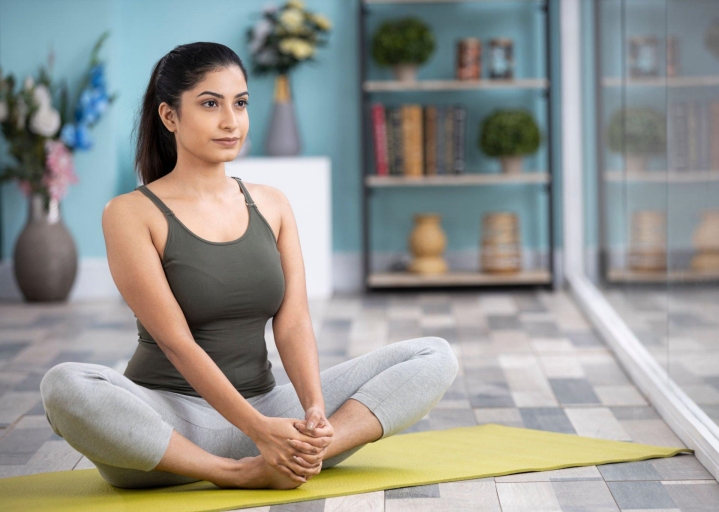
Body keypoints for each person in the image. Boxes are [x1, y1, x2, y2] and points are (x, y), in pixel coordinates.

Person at [39, 42, 458, 490]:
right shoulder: (129, 213)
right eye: (210, 104)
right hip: (169, 427)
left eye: (240, 103)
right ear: (169, 117)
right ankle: (235, 471)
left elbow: (294, 321)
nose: (230, 121)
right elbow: (178, 343)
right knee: (63, 384)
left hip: (272, 412)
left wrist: (313, 410)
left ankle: (304, 453)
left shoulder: (272, 203)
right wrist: (258, 431)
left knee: (434, 355)